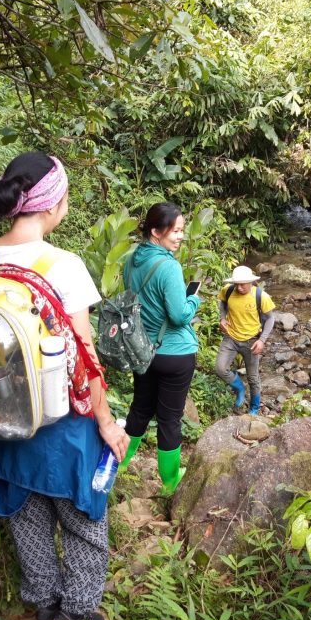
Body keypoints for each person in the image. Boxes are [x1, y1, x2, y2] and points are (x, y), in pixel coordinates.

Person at [0, 151, 128, 620]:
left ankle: (44, 606)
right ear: (53, 205)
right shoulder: (63, 263)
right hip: (61, 423)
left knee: (25, 515)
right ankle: (77, 613)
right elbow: (86, 354)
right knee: (84, 522)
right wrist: (107, 423)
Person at [116, 202, 200, 494]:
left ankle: (122, 463)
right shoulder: (169, 266)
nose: (180, 237)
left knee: (140, 407)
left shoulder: (131, 260)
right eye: (175, 231)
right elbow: (179, 315)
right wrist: (194, 302)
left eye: (181, 231)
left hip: (143, 351)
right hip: (175, 354)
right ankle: (170, 481)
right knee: (169, 419)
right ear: (155, 231)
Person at [214, 266, 276, 415]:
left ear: (251, 282)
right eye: (237, 284)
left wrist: (262, 340)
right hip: (231, 337)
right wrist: (222, 318)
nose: (239, 287)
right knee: (220, 369)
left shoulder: (261, 296)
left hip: (252, 340)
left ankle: (254, 409)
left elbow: (270, 319)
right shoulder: (228, 290)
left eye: (243, 284)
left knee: (253, 378)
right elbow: (222, 303)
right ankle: (240, 387)